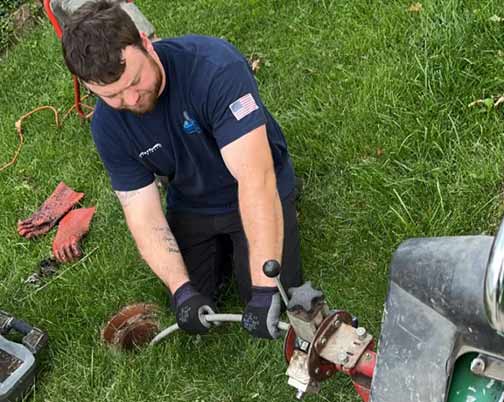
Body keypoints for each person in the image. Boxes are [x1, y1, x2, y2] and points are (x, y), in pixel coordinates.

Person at [61, 0, 303, 339]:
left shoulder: (214, 68)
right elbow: (141, 212)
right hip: (192, 202)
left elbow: (256, 179)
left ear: (146, 43)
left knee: (271, 296)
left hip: (253, 184)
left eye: (134, 81)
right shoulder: (106, 126)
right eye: (112, 95)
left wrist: (264, 290)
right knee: (194, 300)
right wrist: (181, 290)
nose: (129, 101)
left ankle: (278, 223)